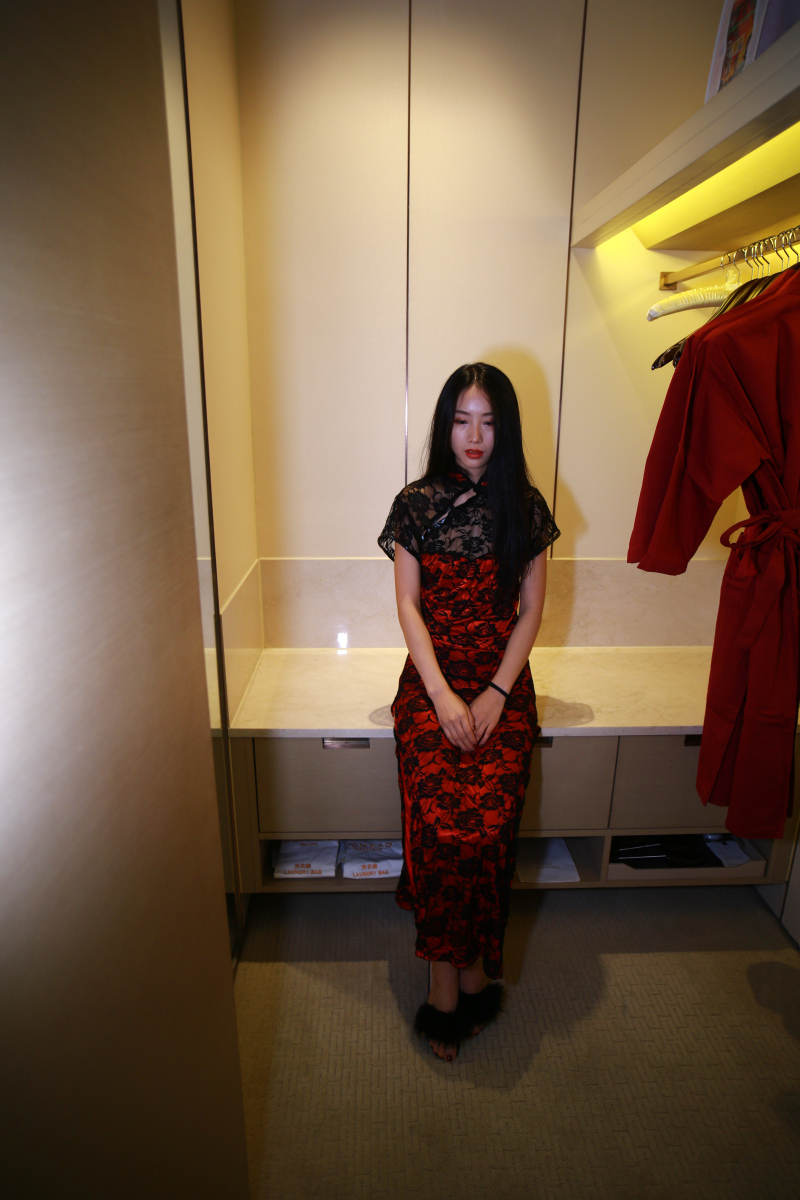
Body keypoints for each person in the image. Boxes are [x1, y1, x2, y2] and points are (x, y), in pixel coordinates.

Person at [378, 362, 559, 1062]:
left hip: (502, 686)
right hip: (431, 684)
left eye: (487, 421)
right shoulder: (415, 504)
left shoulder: (527, 507)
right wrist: (443, 696)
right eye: (461, 420)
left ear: (504, 429)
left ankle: (474, 965)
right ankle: (443, 978)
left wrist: (494, 694)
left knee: (486, 829)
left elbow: (532, 611)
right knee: (439, 824)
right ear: (444, 426)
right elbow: (407, 606)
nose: (474, 435)